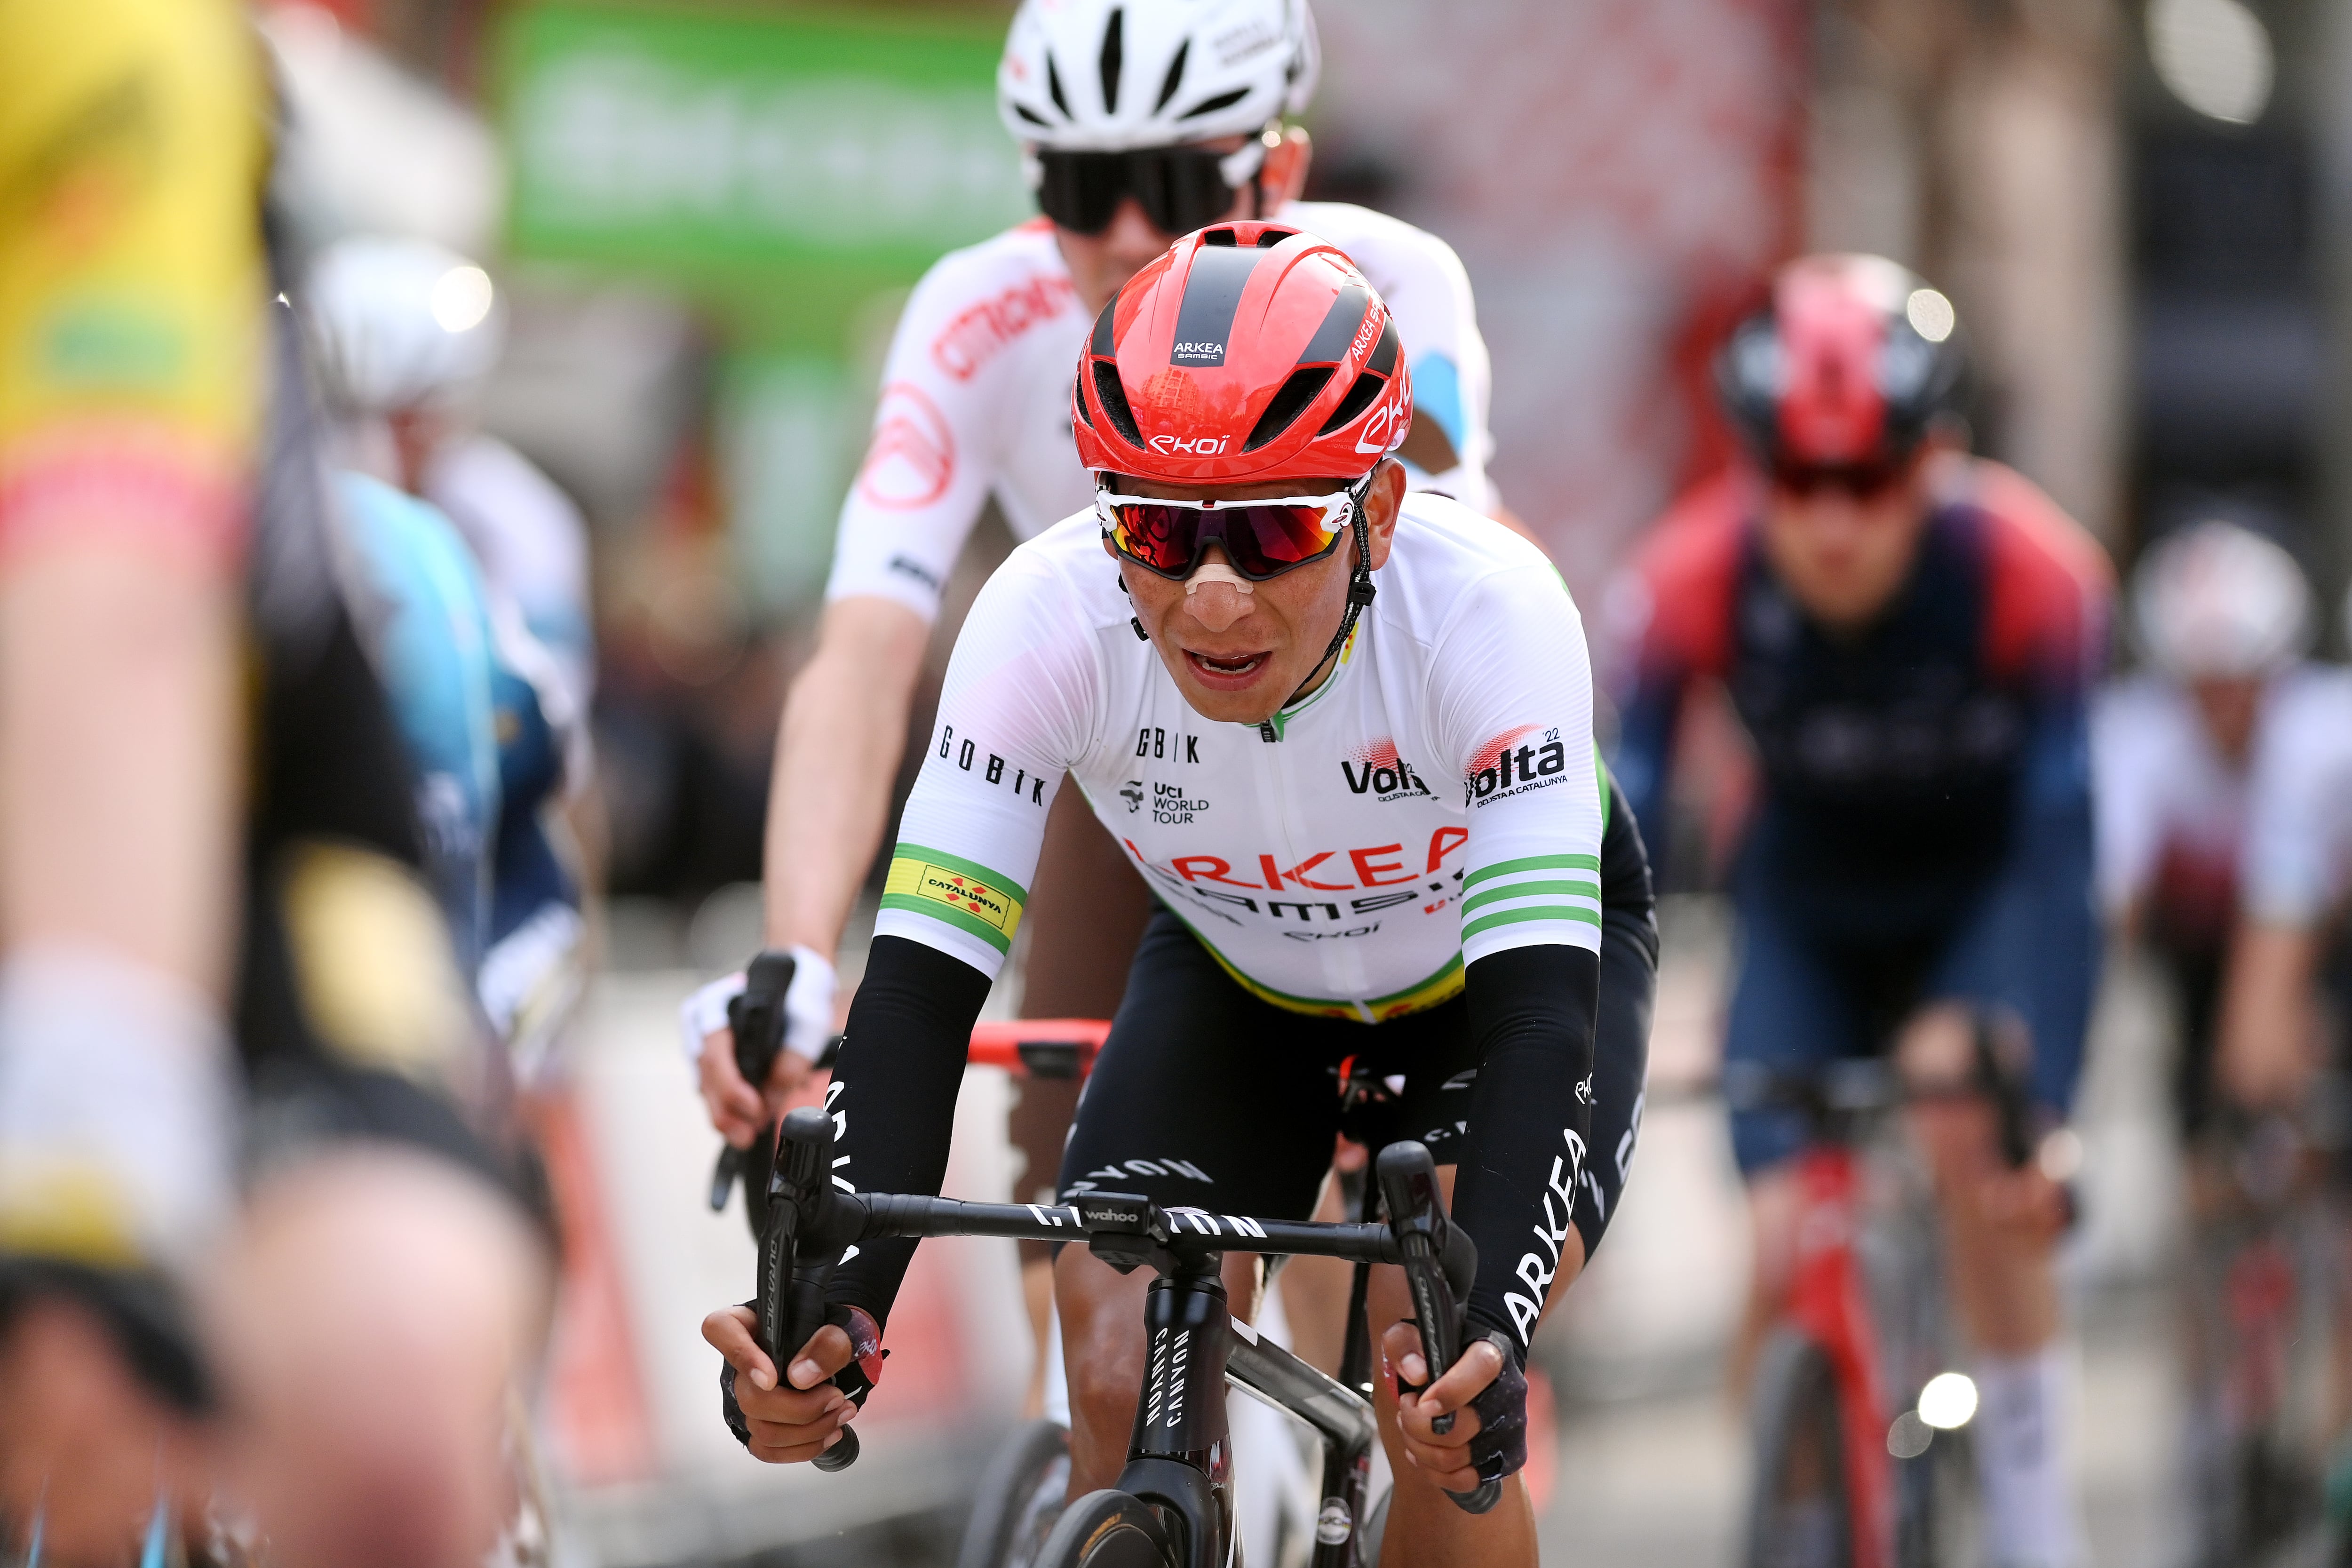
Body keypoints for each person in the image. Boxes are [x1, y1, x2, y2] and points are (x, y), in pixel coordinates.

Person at [705, 225, 1653, 1567]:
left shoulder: (1493, 614)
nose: (1211, 593)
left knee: (1431, 1386)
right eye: (1155, 526)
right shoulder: (1044, 617)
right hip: (1242, 972)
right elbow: (917, 991)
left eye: (1273, 529)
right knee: (1103, 1343)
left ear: (1378, 509)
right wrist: (829, 1316)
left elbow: (1541, 1025)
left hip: (1481, 1001)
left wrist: (1486, 1339)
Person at [683, 0, 1503, 1274]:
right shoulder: (975, 316)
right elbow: (862, 656)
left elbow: (1453, 570)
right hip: (1140, 773)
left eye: (1173, 184)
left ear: (1275, 171)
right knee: (1073, 1246)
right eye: (1083, 185)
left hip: (1387, 775)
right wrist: (794, 951)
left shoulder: (1391, 282)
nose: (1126, 233)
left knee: (1389, 1295)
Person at [0, 8, 553, 1560]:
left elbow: (112, 606)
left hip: (225, 787)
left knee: (386, 1384)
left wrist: (88, 1182)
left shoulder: (105, 41)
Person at [1609, 253, 2110, 1568]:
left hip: (1979, 901)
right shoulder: (1686, 578)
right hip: (1809, 908)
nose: (1835, 523)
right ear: (1751, 466)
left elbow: (2066, 856)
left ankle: (2031, 1524)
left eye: (1872, 481)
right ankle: (1792, 1491)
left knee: (1964, 1124)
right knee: (1780, 1235)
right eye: (1799, 480)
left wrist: (2041, 1104)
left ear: (1934, 458)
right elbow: (1622, 844)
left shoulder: (2035, 574)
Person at [302, 234, 591, 1063]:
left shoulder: (511, 515)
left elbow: (555, 758)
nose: (418, 442)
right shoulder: (324, 496)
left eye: (429, 418)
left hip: (492, 859)